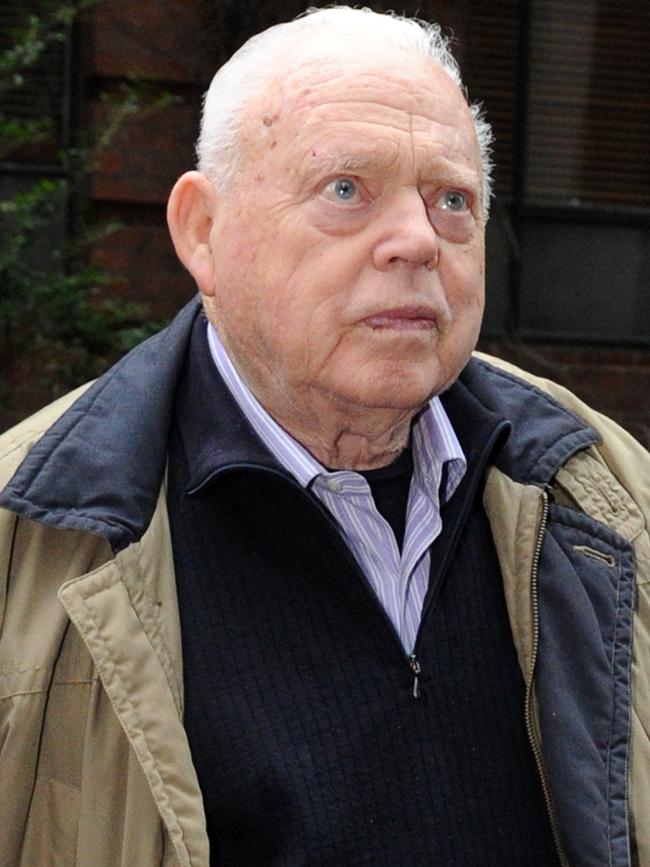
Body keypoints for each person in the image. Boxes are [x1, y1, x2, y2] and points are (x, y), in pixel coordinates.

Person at [0, 6, 649, 866]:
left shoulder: (608, 489)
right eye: (346, 189)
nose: (418, 239)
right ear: (203, 229)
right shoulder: (28, 541)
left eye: (453, 200)